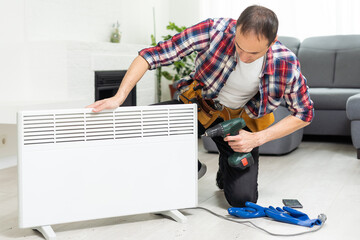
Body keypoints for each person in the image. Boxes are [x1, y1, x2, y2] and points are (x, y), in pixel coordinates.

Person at [87, 5, 313, 207]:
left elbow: (304, 113)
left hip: (240, 126)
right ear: (236, 31)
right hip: (200, 108)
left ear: (272, 43)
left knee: (242, 201)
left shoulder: (286, 63)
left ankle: (225, 169)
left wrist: (257, 138)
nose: (243, 57)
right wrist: (119, 97)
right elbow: (152, 55)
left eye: (253, 53)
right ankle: (187, 164)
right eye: (239, 47)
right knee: (141, 123)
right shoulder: (213, 31)